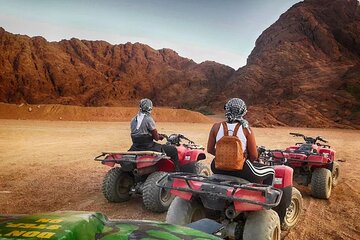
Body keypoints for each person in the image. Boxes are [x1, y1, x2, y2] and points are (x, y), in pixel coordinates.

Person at [207, 98, 274, 185]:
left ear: (227, 109)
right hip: (241, 170)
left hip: (217, 168)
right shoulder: (246, 128)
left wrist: (224, 156)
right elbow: (253, 155)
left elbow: (210, 149)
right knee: (271, 171)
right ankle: (263, 197)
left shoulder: (215, 127)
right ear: (243, 111)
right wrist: (240, 158)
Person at [129, 98, 180, 171]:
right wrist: (160, 137)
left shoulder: (133, 119)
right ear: (150, 108)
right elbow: (156, 137)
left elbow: (139, 133)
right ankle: (176, 172)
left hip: (135, 147)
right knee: (173, 150)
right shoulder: (148, 119)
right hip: (148, 147)